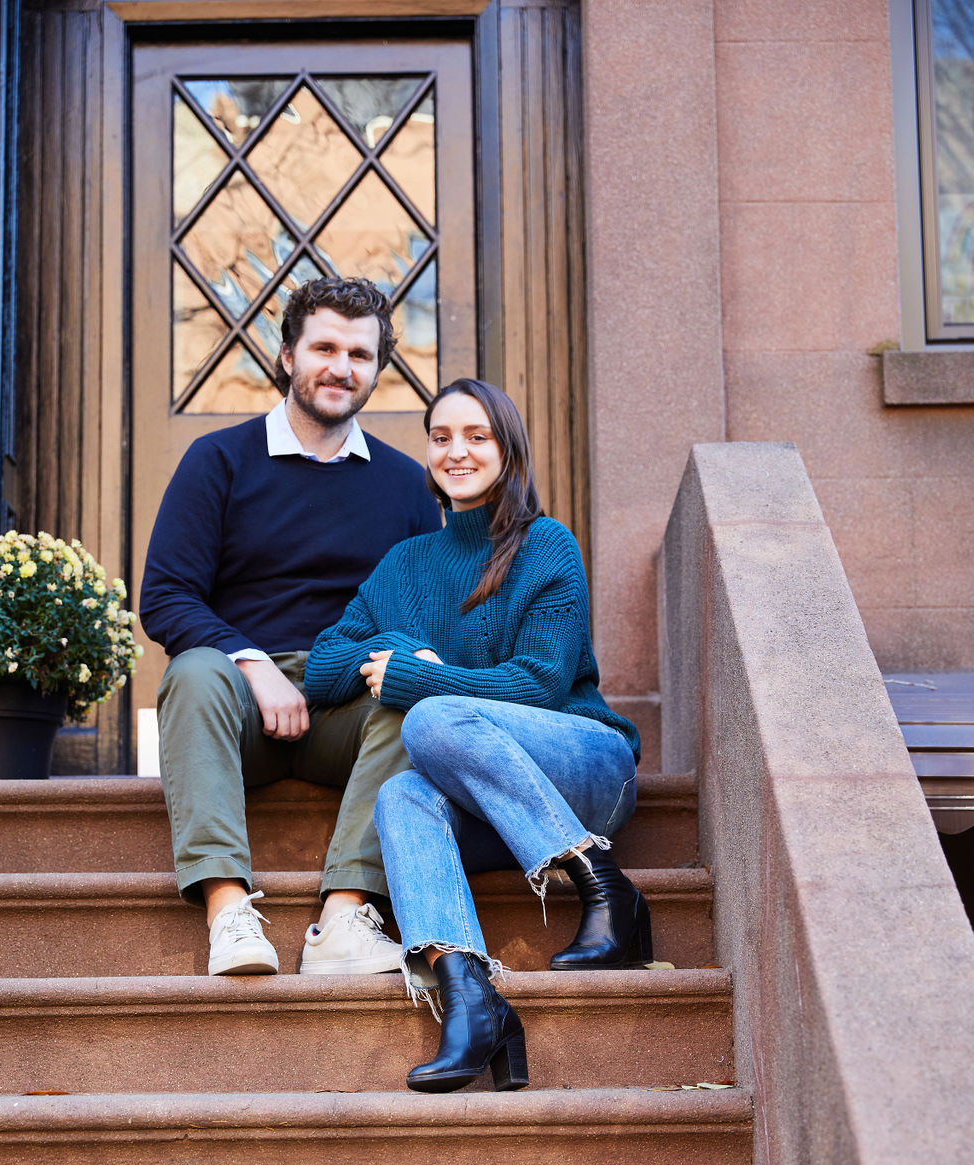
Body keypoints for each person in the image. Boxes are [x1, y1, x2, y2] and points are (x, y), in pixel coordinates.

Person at [304, 379, 651, 1093]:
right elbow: (323, 668)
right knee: (400, 795)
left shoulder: (546, 545)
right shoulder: (405, 565)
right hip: (488, 799)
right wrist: (403, 648)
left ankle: (604, 886)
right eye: (441, 437)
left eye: (476, 436)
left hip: (584, 766)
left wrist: (420, 679)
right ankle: (472, 998)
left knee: (429, 717)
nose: (456, 451)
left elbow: (540, 687)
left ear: (507, 449)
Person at [139, 276, 442, 978]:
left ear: (378, 368)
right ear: (286, 356)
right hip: (238, 708)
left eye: (360, 355)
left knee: (418, 699)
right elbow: (167, 596)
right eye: (325, 347)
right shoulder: (218, 461)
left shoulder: (404, 485)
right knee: (192, 670)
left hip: (346, 706)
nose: (341, 367)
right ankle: (228, 909)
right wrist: (254, 664)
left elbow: (420, 615)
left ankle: (344, 916)